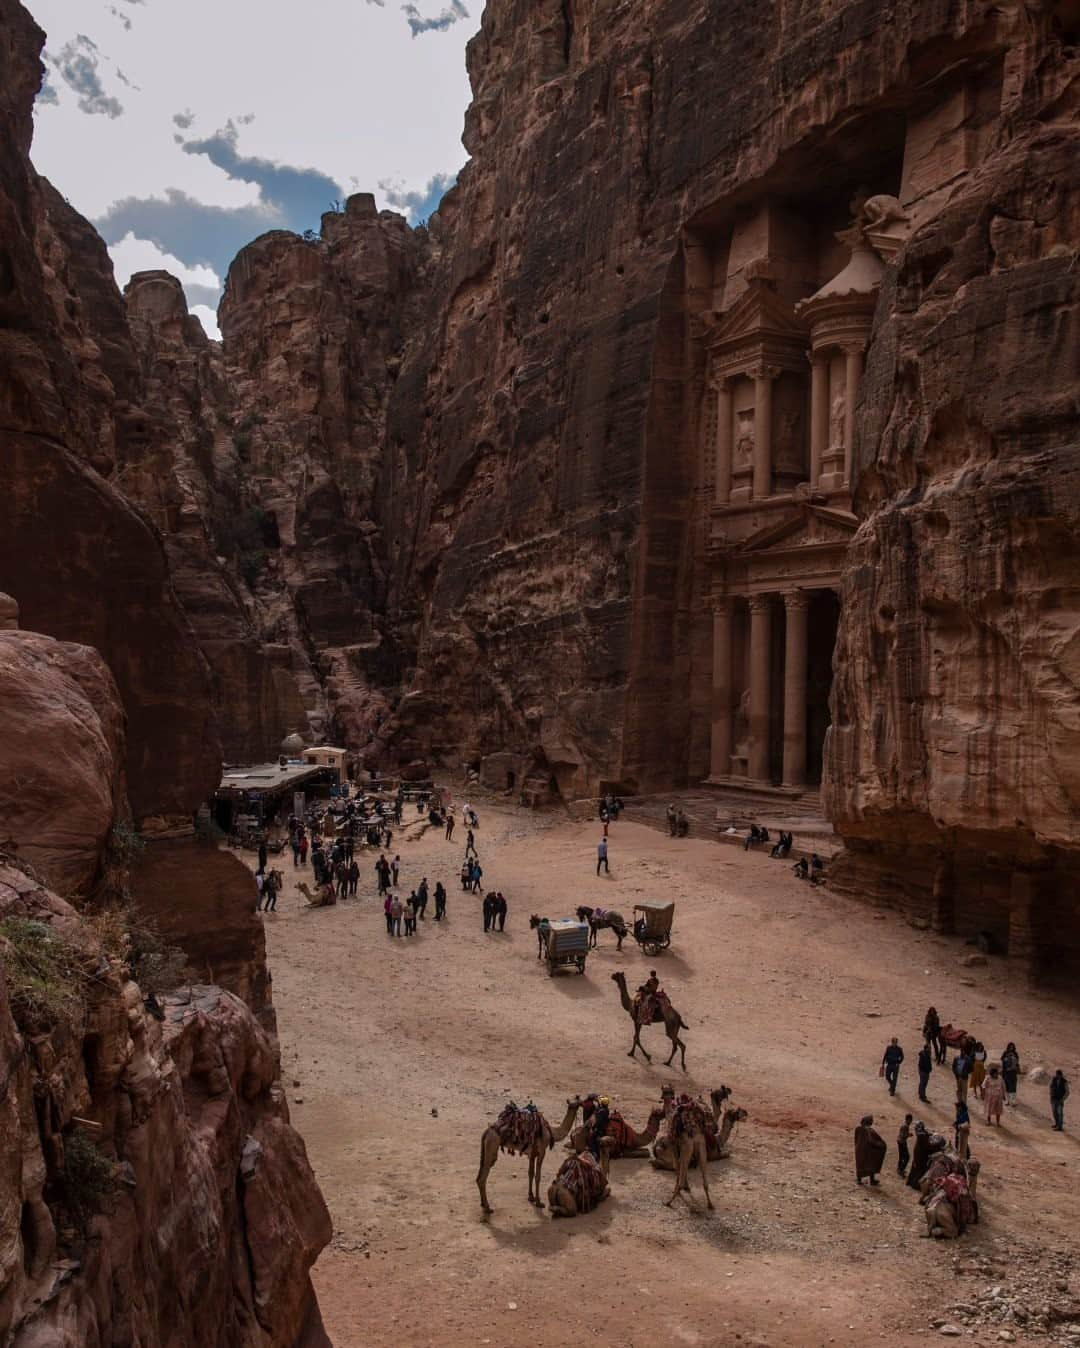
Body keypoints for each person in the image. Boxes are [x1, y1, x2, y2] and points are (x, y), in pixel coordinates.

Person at [854, 1115, 886, 1185]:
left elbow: (856, 1139)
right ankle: (872, 1180)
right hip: (868, 1151)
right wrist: (881, 1145)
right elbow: (872, 1141)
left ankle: (859, 1180)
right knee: (872, 1164)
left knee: (860, 1165)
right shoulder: (869, 1131)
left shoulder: (858, 1128)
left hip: (859, 1150)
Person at [906, 1121, 931, 1189]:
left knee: (915, 1167)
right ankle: (915, 1184)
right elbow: (927, 1146)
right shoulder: (921, 1135)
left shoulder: (921, 1133)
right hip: (920, 1154)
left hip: (918, 1152)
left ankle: (910, 1181)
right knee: (920, 1168)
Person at [590, 1096, 611, 1161]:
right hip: (603, 1128)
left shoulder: (602, 1112)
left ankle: (595, 1154)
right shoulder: (606, 1110)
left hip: (599, 1129)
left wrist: (594, 1128)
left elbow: (598, 1122)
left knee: (592, 1139)